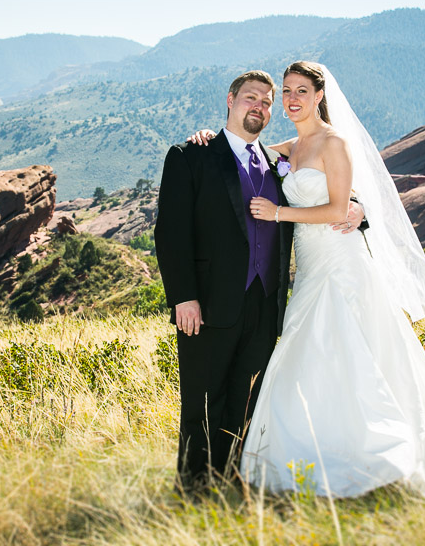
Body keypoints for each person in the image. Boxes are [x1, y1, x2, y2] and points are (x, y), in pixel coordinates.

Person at [192, 61, 425, 498]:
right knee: (309, 350)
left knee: (353, 349)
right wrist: (206, 137)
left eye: (301, 90)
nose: (293, 98)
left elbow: (339, 210)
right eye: (287, 91)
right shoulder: (289, 148)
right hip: (311, 267)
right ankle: (316, 449)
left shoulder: (334, 143)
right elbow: (242, 146)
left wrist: (280, 213)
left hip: (343, 263)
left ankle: (378, 450)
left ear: (320, 96)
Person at [155, 70, 364, 494]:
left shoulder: (276, 162)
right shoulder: (192, 155)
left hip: (267, 303)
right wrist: (184, 297)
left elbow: (325, 192)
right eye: (252, 98)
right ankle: (194, 489)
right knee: (203, 400)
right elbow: (170, 233)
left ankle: (234, 479)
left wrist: (358, 208)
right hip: (208, 305)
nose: (261, 107)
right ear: (230, 100)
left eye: (268, 102)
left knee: (247, 398)